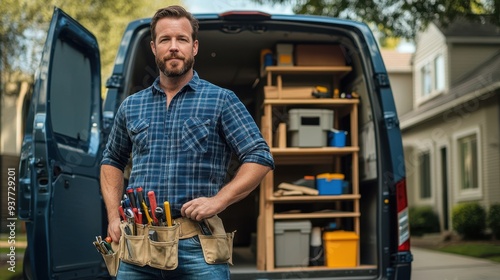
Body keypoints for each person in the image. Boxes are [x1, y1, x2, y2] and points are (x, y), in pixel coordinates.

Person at [100, 5, 274, 279]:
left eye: (181, 39)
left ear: (194, 47)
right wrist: (113, 217)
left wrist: (219, 201)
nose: (173, 47)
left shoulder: (221, 100)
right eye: (165, 40)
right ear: (153, 47)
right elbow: (111, 160)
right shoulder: (131, 106)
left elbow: (260, 156)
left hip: (198, 247)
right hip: (137, 247)